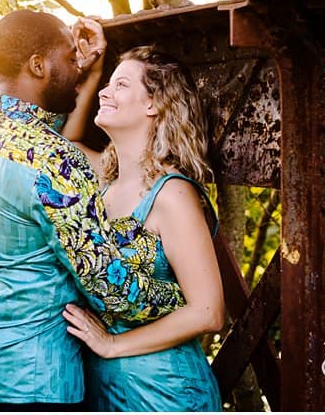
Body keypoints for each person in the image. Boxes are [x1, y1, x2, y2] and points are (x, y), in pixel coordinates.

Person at [0, 12, 184, 412]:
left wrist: (79, 72)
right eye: (70, 58)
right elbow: (110, 288)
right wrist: (187, 303)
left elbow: (29, 131)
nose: (79, 66)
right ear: (38, 65)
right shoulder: (56, 162)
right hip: (30, 378)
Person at [58, 46, 224, 412]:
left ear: (154, 104)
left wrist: (112, 345)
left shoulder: (172, 194)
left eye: (120, 85)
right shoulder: (105, 180)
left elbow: (209, 310)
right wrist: (91, 74)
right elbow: (65, 147)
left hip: (164, 393)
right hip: (106, 391)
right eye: (106, 85)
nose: (105, 92)